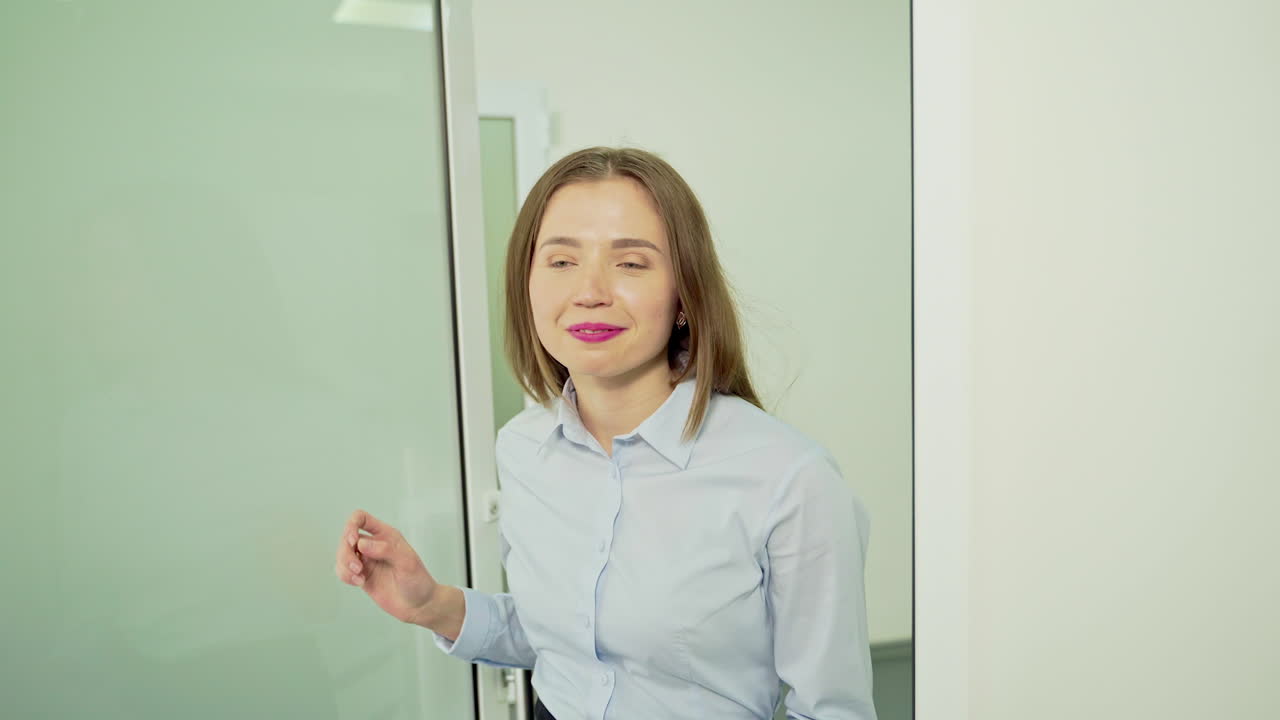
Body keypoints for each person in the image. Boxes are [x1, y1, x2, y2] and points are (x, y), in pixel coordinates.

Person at [334, 147, 876, 719]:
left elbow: (832, 711)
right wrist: (433, 604)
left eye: (631, 263)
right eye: (561, 261)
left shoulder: (790, 479)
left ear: (685, 295)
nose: (589, 291)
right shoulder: (523, 448)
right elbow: (570, 641)